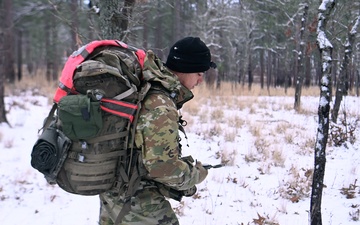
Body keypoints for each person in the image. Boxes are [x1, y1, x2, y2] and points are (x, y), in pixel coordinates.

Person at [99, 37, 217, 225]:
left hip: (114, 190)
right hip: (136, 200)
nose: (201, 80)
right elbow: (163, 168)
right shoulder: (160, 104)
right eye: (199, 72)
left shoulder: (151, 88)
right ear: (186, 68)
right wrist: (196, 175)